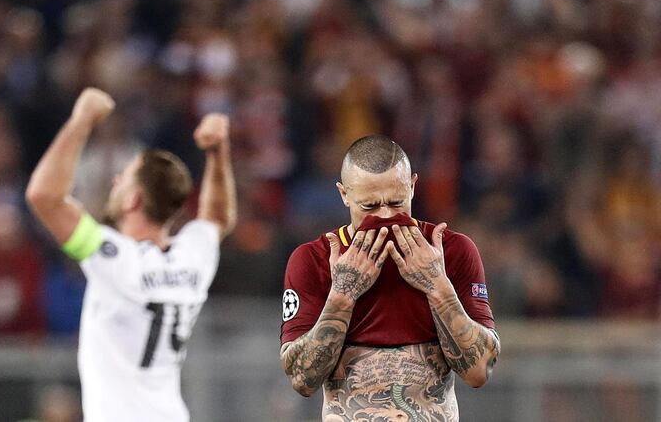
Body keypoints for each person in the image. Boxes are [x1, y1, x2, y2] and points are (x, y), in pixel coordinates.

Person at [26, 87, 236, 422]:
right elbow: (217, 217)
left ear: (132, 200)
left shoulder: (114, 258)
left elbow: (44, 197)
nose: (115, 179)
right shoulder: (191, 256)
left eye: (123, 178)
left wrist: (82, 120)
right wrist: (217, 151)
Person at [280, 134, 500, 421]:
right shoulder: (313, 259)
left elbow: (479, 371)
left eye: (396, 202)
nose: (385, 216)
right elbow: (302, 379)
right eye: (369, 206)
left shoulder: (452, 251)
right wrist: (343, 295)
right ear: (344, 194)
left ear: (412, 186)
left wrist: (437, 285)